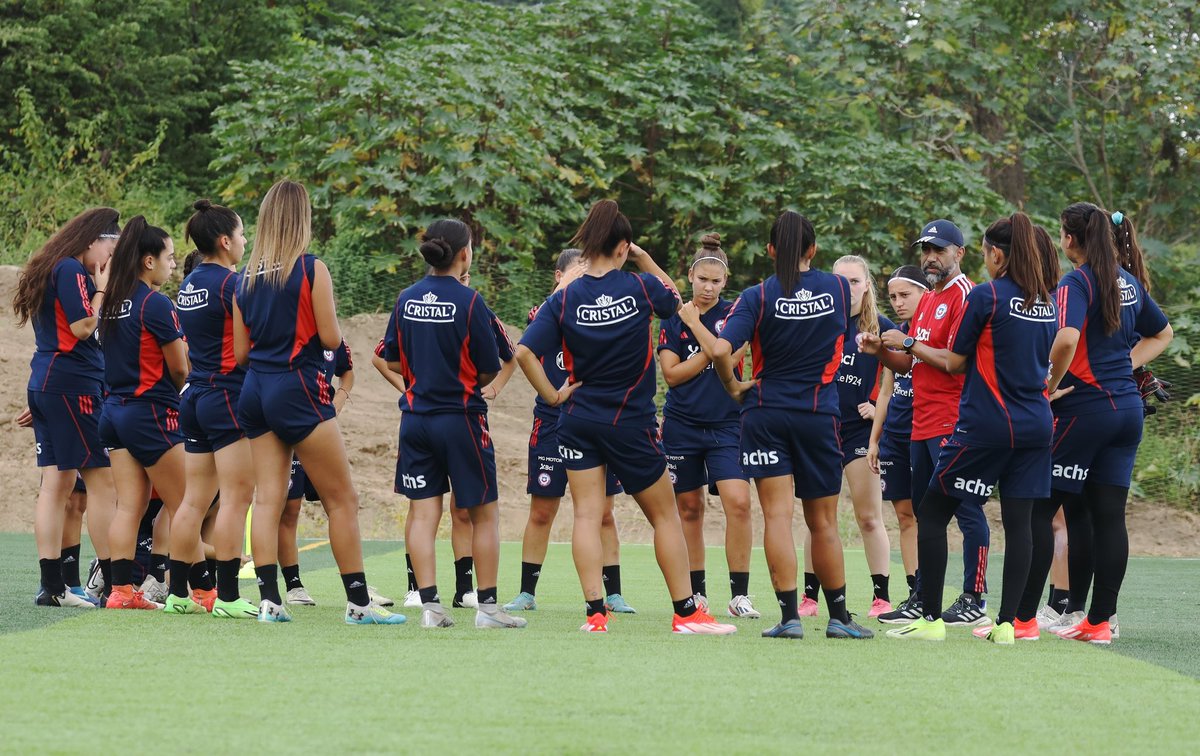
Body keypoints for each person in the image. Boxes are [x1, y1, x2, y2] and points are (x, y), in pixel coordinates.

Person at [517, 199, 735, 635]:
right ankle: (687, 614)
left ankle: (595, 615)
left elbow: (523, 351)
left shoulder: (565, 297)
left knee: (584, 515)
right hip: (630, 423)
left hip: (577, 419)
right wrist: (643, 257)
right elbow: (676, 297)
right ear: (622, 247)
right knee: (666, 516)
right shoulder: (640, 287)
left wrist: (554, 396)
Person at [234, 179, 404, 625]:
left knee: (268, 499)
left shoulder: (243, 279)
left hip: (255, 390)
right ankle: (359, 604)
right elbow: (330, 338)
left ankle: (270, 601)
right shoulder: (312, 270)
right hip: (298, 388)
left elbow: (239, 354)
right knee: (341, 500)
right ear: (301, 219)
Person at [886, 212, 1056, 644]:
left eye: (985, 253)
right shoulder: (1047, 302)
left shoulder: (985, 296)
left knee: (931, 512)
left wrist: (906, 342)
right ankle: (1006, 626)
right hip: (1036, 426)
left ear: (996, 254)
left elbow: (954, 361)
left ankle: (930, 620)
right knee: (1020, 525)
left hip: (987, 426)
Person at [711, 210, 873, 640]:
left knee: (777, 518)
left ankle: (789, 618)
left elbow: (721, 349)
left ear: (769, 250)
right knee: (823, 522)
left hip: (765, 413)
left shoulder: (757, 296)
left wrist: (733, 386)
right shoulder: (838, 288)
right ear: (813, 250)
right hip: (819, 414)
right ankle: (838, 618)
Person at [1016, 205, 1172, 644]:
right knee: (1102, 516)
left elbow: (1066, 338)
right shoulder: (1126, 281)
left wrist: (1048, 386)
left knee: (1037, 510)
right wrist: (1124, 365)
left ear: (1069, 240)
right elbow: (1162, 334)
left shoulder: (1076, 281)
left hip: (1087, 410)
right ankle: (1100, 622)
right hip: (1127, 412)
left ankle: (1022, 619)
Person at [381, 218, 523, 629]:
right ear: (465, 254)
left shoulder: (405, 298)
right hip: (461, 420)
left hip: (415, 422)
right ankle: (489, 610)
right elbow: (485, 370)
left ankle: (430, 608)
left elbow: (391, 359)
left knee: (423, 516)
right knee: (484, 515)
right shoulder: (471, 301)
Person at [863, 219, 991, 626]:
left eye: (939, 249)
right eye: (926, 250)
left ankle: (975, 597)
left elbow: (957, 364)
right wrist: (880, 352)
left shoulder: (965, 296)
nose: (931, 257)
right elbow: (908, 362)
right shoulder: (931, 298)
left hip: (957, 421)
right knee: (922, 513)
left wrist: (909, 342)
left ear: (960, 253)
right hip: (922, 422)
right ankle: (924, 596)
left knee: (967, 510)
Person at [504, 250, 636, 614]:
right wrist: (567, 285)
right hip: (551, 421)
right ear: (558, 275)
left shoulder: (596, 310)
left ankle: (613, 593)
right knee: (542, 511)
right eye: (577, 272)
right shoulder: (547, 309)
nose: (584, 278)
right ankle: (527, 592)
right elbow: (528, 340)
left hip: (596, 420)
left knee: (603, 512)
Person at [13, 207, 121, 608]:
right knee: (101, 483)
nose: (111, 258)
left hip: (47, 382)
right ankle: (116, 585)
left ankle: (54, 587)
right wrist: (102, 288)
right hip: (72, 386)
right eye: (111, 247)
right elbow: (81, 328)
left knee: (55, 486)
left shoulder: (54, 267)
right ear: (95, 241)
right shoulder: (73, 270)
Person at [96, 216, 204, 610]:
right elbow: (180, 368)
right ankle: (206, 590)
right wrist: (176, 394)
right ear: (148, 261)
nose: (173, 265)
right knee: (186, 504)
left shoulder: (109, 302)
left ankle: (121, 592)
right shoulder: (156, 304)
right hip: (150, 414)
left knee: (130, 505)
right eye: (169, 258)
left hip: (113, 413)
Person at [656, 234, 757, 619]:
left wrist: (704, 341)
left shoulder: (737, 315)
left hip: (729, 426)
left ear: (725, 281)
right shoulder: (674, 316)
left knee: (739, 503)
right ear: (691, 277)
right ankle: (697, 594)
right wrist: (712, 352)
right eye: (703, 280)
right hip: (681, 425)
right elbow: (672, 374)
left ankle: (740, 595)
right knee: (689, 508)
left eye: (716, 281)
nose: (708, 287)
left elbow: (729, 358)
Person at [167, 199, 260, 618]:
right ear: (225, 241)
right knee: (237, 497)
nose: (245, 242)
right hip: (226, 396)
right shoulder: (232, 284)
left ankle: (177, 595)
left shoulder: (187, 284)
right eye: (242, 235)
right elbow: (249, 344)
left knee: (192, 502)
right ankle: (227, 597)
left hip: (195, 396)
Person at [801, 255, 894, 619]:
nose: (847, 288)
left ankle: (881, 597)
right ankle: (809, 598)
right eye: (841, 280)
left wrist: (877, 408)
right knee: (816, 518)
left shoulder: (881, 327)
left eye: (855, 281)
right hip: (820, 430)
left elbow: (905, 375)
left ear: (867, 285)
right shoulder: (818, 321)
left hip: (859, 435)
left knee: (869, 517)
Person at [865, 266, 927, 609]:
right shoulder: (894, 333)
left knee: (928, 515)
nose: (898, 303)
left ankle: (947, 593)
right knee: (905, 516)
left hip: (928, 434)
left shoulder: (933, 333)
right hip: (895, 438)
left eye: (906, 295)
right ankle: (914, 591)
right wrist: (875, 439)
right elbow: (886, 393)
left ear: (924, 294)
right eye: (893, 297)